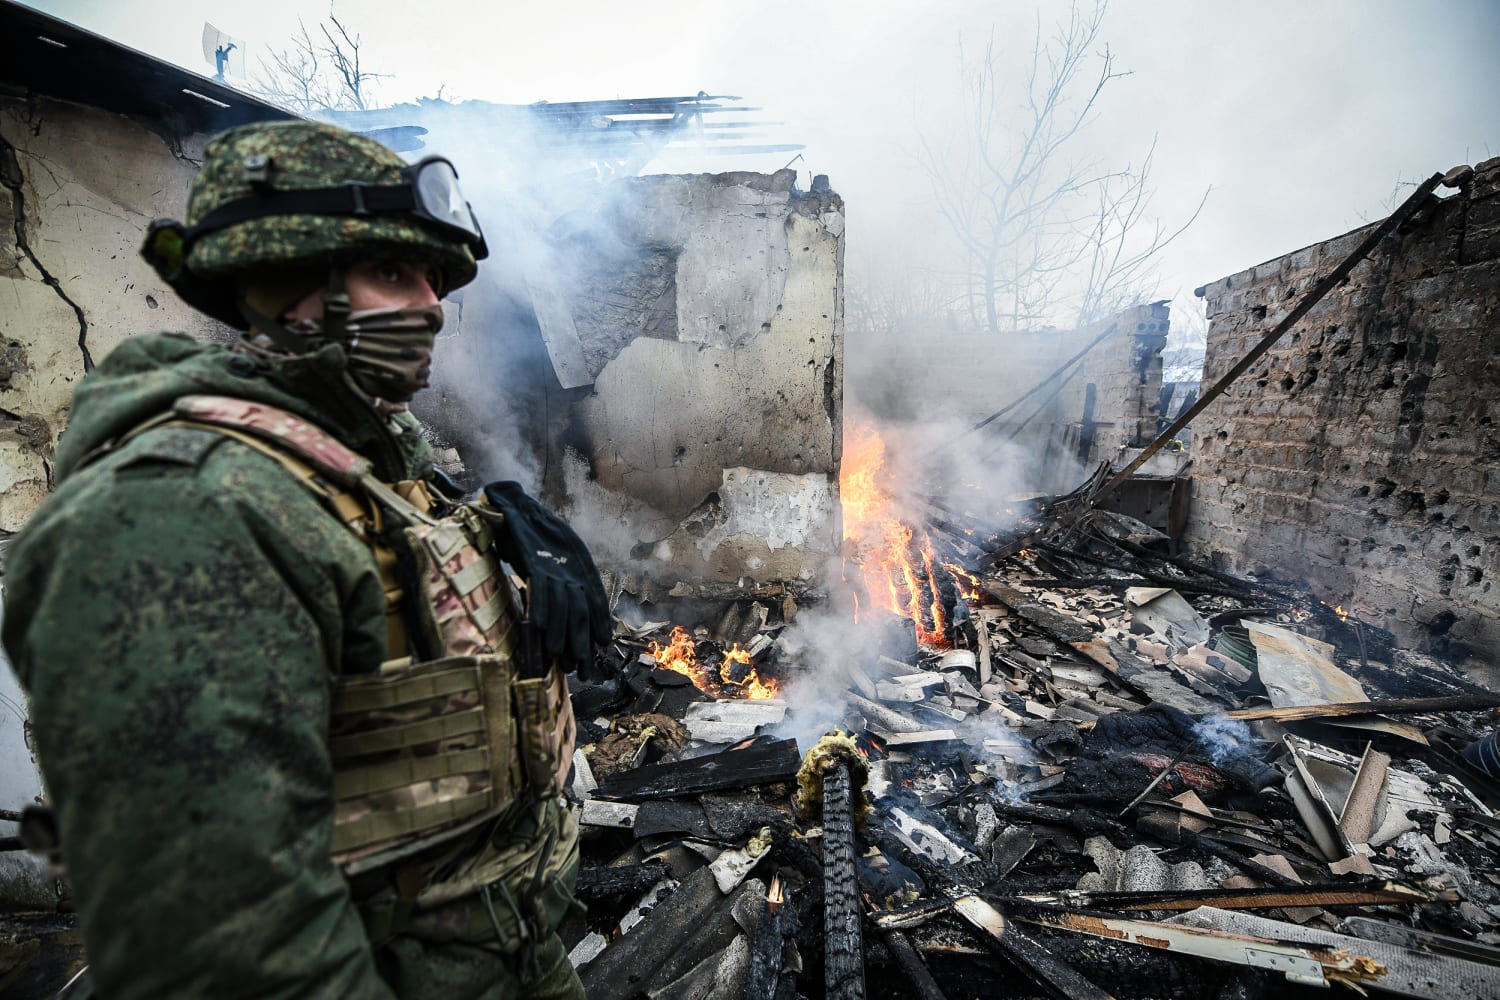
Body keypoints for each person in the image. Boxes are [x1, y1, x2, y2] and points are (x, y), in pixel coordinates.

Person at [2, 120, 611, 998]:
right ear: (291, 282)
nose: (434, 306)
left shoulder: (362, 471)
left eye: (436, 281)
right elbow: (230, 945)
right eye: (396, 273)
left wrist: (484, 520)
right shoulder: (186, 513)